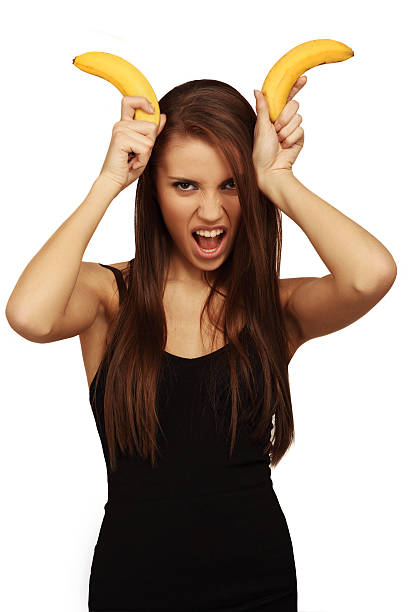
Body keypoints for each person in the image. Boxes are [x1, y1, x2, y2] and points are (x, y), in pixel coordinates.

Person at [5, 78, 397, 611]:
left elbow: (369, 275)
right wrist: (108, 182)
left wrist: (277, 179)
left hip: (258, 587)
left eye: (231, 185)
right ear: (153, 189)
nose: (210, 212)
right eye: (185, 185)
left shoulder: (271, 309)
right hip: (133, 589)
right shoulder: (108, 297)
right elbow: (28, 314)